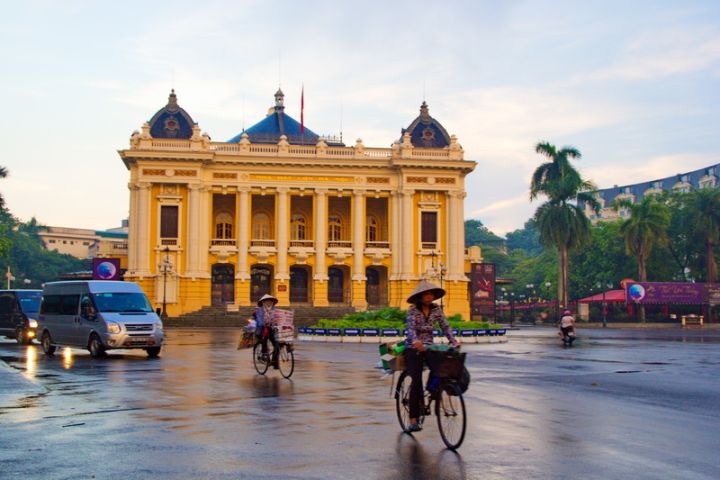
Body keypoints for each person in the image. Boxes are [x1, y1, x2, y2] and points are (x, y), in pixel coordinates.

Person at [404, 280, 459, 433]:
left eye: (431, 294)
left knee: (441, 369)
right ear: (420, 296)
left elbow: (445, 326)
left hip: (429, 346)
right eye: (426, 294)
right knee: (416, 383)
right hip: (413, 348)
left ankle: (433, 389)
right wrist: (415, 341)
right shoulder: (413, 311)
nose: (429, 296)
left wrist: (453, 340)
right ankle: (413, 420)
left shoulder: (437, 310)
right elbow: (410, 329)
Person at [254, 294, 280, 368]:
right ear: (263, 302)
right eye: (267, 301)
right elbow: (259, 320)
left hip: (271, 328)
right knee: (264, 339)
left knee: (277, 344)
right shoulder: (260, 310)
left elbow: (277, 318)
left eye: (270, 301)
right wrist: (264, 324)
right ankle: (264, 354)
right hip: (262, 328)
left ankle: (275, 362)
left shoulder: (274, 309)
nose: (269, 302)